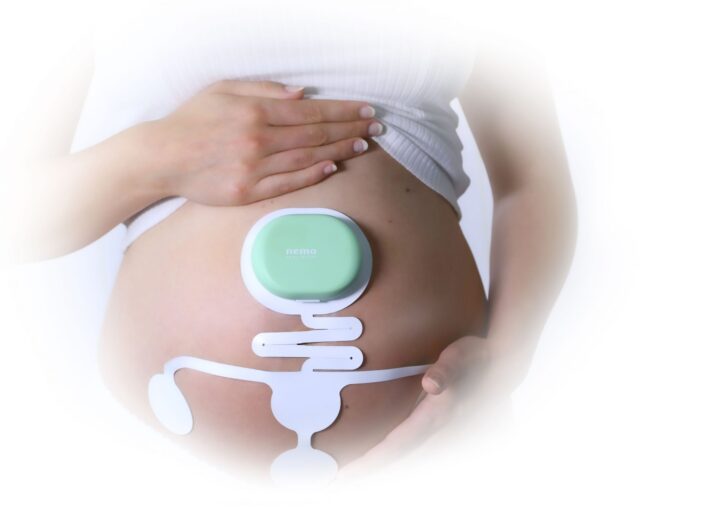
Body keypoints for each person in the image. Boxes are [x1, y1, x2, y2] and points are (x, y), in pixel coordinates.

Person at [8, 2, 577, 482]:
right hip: (155, 462)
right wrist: (160, 156)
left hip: (433, 453)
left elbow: (531, 178)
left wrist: (508, 361)